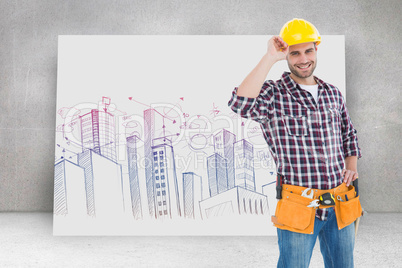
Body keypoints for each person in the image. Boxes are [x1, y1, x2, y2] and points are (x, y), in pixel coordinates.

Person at [228, 18, 362, 267]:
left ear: (316, 49)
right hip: (299, 204)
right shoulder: (273, 94)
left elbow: (348, 133)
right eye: (295, 53)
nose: (303, 59)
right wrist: (270, 56)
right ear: (286, 55)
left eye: (308, 50)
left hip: (340, 202)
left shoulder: (332, 92)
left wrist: (351, 165)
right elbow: (240, 104)